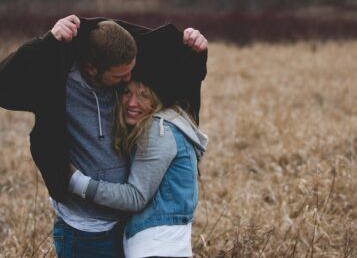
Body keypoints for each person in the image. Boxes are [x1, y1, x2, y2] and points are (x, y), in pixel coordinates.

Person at [0, 14, 208, 257]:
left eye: (130, 72)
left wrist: (196, 47)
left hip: (127, 226)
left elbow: (177, 67)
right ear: (91, 69)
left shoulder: (123, 73)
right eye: (120, 77)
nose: (128, 80)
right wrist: (48, 41)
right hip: (84, 231)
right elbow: (5, 83)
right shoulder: (58, 83)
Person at [69, 78, 207, 258]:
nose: (132, 102)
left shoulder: (159, 131)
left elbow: (136, 197)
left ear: (157, 99)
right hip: (166, 246)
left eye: (144, 96)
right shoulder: (170, 125)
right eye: (127, 92)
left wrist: (76, 182)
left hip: (155, 247)